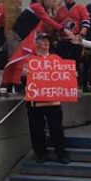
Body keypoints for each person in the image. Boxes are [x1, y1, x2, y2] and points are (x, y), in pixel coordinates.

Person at [2, 0, 65, 92]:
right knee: (15, 60)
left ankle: (17, 86)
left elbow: (42, 25)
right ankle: (8, 87)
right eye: (52, 1)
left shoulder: (42, 10)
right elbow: (47, 20)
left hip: (25, 38)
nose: (53, 4)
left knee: (22, 61)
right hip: (16, 36)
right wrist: (62, 29)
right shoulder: (37, 7)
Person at [25, 33, 69, 164]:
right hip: (35, 101)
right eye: (43, 40)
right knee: (36, 130)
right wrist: (26, 72)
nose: (46, 43)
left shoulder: (56, 58)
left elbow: (64, 75)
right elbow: (22, 72)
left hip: (53, 100)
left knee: (56, 128)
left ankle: (61, 154)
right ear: (36, 43)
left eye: (47, 40)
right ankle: (41, 154)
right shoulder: (30, 59)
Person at [54, 0, 90, 75]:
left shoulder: (80, 8)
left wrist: (81, 34)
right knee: (62, 62)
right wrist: (56, 37)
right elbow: (55, 24)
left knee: (75, 63)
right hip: (62, 40)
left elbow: (86, 22)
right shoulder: (60, 10)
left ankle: (74, 82)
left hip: (75, 39)